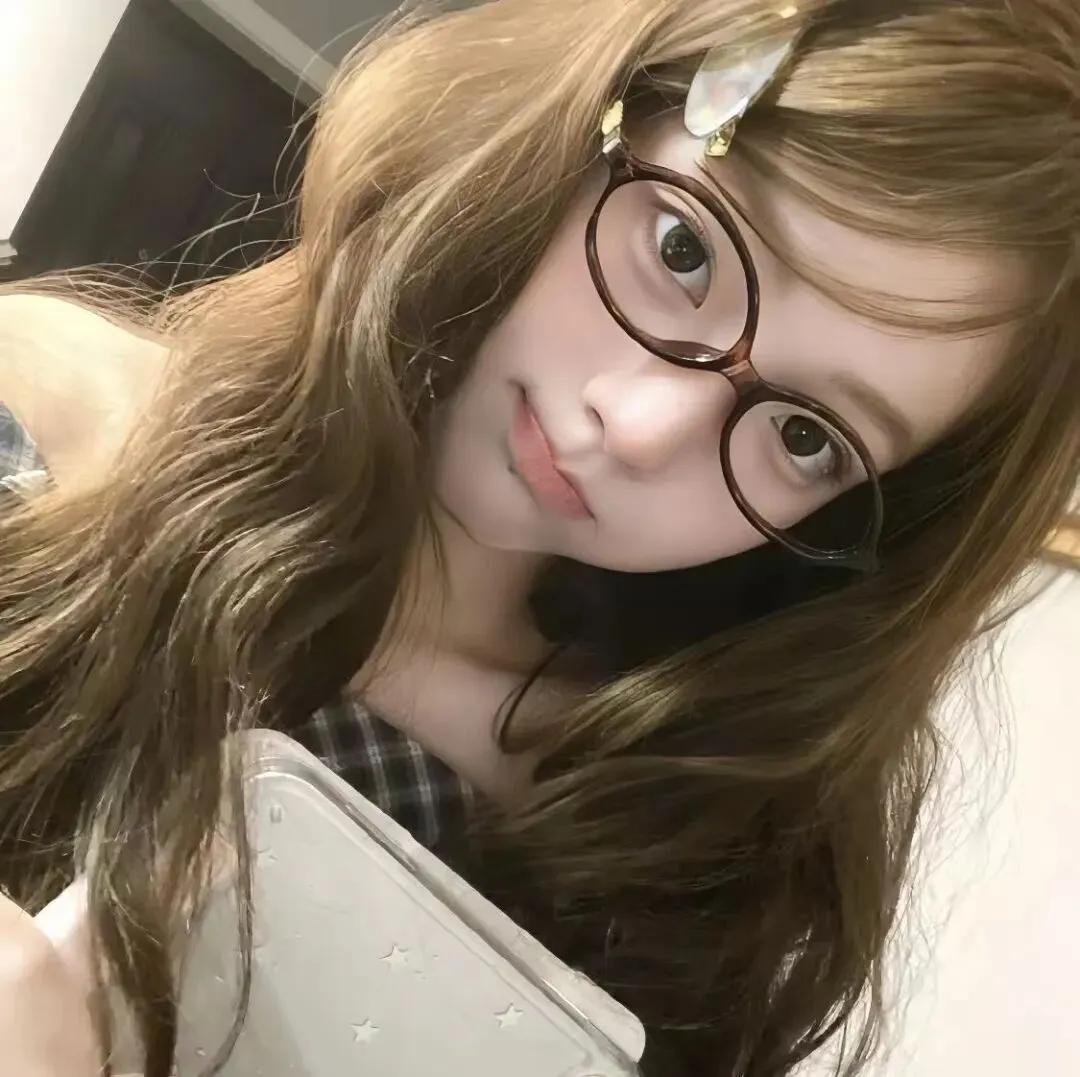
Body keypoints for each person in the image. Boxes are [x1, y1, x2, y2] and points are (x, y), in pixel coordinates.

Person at [0, 0, 1077, 1074]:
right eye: (684, 249)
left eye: (805, 437)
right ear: (585, 124)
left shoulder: (657, 899)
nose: (638, 426)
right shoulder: (39, 436)